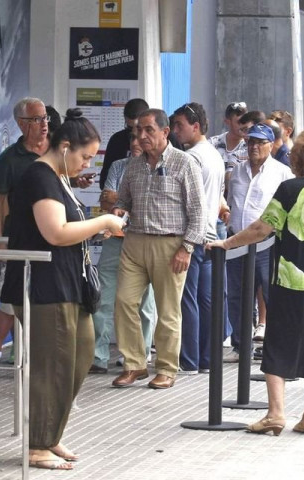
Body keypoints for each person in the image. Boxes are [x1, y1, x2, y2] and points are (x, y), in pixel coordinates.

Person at [207, 129, 304, 437]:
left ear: (297, 159)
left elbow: (262, 228)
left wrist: (227, 243)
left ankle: (276, 414)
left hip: (290, 281)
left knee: (278, 343)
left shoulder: (288, 190)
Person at [1, 109, 125, 470]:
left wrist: (94, 228)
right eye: (85, 156)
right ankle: (37, 444)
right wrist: (102, 221)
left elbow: (66, 229)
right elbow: (54, 232)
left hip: (68, 284)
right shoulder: (39, 177)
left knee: (80, 355)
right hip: (45, 287)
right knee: (51, 366)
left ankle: (50, 434)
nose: (86, 163)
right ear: (65, 146)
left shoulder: (58, 177)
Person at [110, 109, 206, 389]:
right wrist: (119, 209)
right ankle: (134, 364)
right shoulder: (134, 165)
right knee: (124, 302)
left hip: (171, 244)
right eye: (138, 130)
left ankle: (166, 368)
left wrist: (186, 248)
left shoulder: (184, 163)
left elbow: (199, 212)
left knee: (167, 310)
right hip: (134, 242)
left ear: (165, 133)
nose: (141, 136)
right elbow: (124, 201)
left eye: (149, 130)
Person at [0, 97, 51, 378]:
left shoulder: (57, 150)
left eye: (45, 118)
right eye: (37, 119)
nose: (44, 124)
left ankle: (37, 356)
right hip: (18, 238)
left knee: (46, 299)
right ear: (22, 124)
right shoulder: (9, 159)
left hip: (52, 238)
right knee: (10, 296)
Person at [224, 123, 294, 362]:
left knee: (272, 294)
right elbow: (231, 202)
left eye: (260, 142)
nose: (254, 146)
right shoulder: (237, 172)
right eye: (250, 141)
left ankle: (275, 347)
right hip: (237, 241)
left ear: (272, 145)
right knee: (236, 295)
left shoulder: (282, 173)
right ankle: (241, 346)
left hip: (267, 243)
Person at [90, 134, 157, 374]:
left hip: (145, 240)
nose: (137, 143)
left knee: (145, 303)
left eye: (143, 138)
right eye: (134, 139)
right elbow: (106, 202)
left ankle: (141, 355)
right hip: (114, 240)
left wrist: (120, 200)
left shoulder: (158, 168)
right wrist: (125, 202)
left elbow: (148, 204)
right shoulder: (119, 166)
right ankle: (98, 356)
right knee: (103, 298)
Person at [171, 102, 226, 374]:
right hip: (211, 233)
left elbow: (185, 200)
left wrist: (186, 242)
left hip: (192, 236)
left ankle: (189, 360)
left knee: (187, 299)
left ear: (196, 126)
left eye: (180, 125)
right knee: (205, 301)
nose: (175, 131)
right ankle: (205, 360)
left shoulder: (191, 157)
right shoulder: (214, 155)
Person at [99, 98, 149, 190]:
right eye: (129, 128)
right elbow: (105, 185)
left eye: (138, 127)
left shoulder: (164, 140)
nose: (134, 143)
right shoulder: (117, 140)